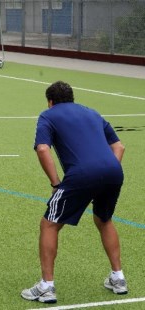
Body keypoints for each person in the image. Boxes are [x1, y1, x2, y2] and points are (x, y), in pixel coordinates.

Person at [21, 81, 127, 304]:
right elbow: (119, 147)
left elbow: (42, 148)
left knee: (49, 223)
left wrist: (55, 182)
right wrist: (107, 170)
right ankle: (118, 279)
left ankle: (46, 287)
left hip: (81, 174)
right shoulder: (92, 113)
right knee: (104, 219)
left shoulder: (48, 115)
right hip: (113, 172)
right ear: (72, 98)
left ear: (50, 102)